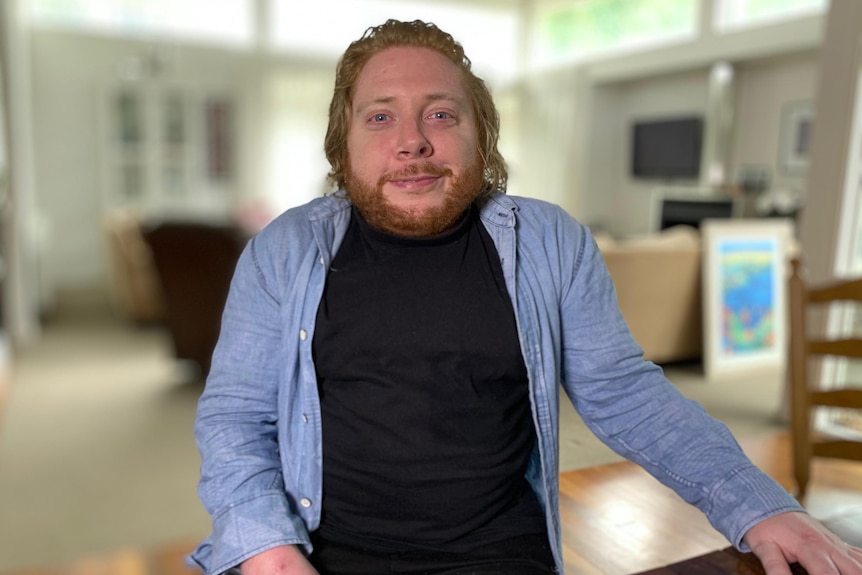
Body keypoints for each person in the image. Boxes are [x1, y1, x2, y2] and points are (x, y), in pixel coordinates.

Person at [190, 19, 862, 575]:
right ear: (344, 144)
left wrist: (757, 502)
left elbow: (628, 395)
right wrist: (268, 548)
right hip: (315, 550)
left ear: (481, 135)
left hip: (498, 553)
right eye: (381, 117)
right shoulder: (283, 251)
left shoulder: (550, 241)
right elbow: (234, 418)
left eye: (442, 114)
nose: (413, 140)